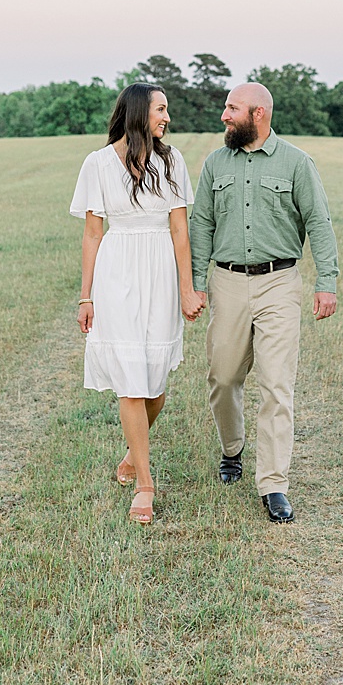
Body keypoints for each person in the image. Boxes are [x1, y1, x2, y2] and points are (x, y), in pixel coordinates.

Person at [189, 82, 339, 523]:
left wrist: (326, 282)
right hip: (227, 281)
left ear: (258, 114)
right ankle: (232, 450)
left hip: (279, 283)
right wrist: (195, 284)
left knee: (277, 385)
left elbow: (319, 221)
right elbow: (201, 224)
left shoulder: (297, 163)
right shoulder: (216, 163)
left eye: (231, 108)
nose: (223, 115)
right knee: (223, 376)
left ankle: (273, 484)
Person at [71, 83, 205, 525]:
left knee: (155, 379)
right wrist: (86, 295)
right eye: (161, 109)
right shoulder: (97, 164)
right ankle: (145, 486)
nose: (167, 118)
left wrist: (187, 288)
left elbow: (180, 230)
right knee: (131, 379)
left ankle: (133, 452)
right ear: (137, 113)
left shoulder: (172, 160)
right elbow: (92, 234)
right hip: (118, 272)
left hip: (161, 271)